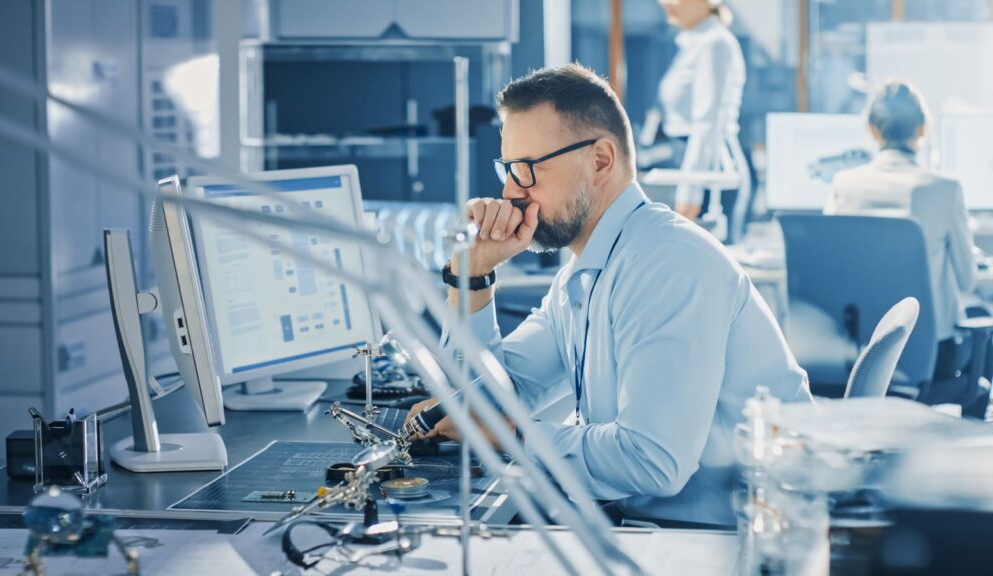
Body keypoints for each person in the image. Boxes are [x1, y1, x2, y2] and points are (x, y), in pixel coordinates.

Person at [408, 64, 810, 528]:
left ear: (601, 160)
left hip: (726, 541)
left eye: (527, 169)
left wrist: (511, 433)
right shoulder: (585, 273)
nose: (509, 192)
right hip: (646, 523)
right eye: (508, 169)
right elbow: (477, 400)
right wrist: (472, 275)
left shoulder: (667, 262)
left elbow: (652, 462)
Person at [824, 81, 978, 407]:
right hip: (932, 360)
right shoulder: (945, 188)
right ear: (922, 130)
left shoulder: (844, 184)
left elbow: (833, 273)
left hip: (858, 353)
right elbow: (967, 281)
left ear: (872, 131)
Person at [653, 0, 748, 225]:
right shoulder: (692, 44)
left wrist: (690, 190)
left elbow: (709, 124)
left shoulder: (714, 44)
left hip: (708, 171)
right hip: (692, 164)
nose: (665, 2)